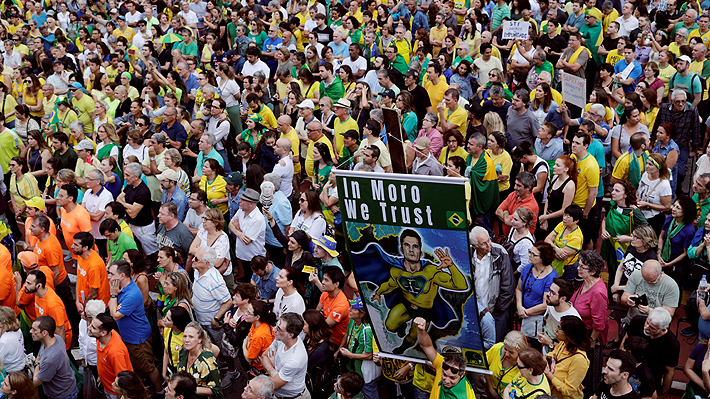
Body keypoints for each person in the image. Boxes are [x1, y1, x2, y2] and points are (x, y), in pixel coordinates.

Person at [107, 260, 164, 395]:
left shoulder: (130, 294)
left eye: (111, 273)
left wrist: (113, 295)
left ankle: (159, 391)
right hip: (130, 336)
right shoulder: (122, 288)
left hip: (138, 339)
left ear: (121, 276)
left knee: (149, 367)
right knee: (140, 365)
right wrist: (114, 303)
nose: (108, 276)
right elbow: (111, 308)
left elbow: (114, 315)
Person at [470, 226, 516, 342]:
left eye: (489, 240)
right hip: (473, 311)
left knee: (494, 343)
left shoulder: (500, 253)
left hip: (494, 312)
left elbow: (508, 286)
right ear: (475, 246)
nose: (489, 245)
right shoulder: (467, 254)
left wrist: (498, 311)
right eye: (484, 243)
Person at [621, 308, 679, 399]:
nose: (646, 327)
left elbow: (669, 372)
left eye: (652, 327)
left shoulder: (672, 344)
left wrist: (662, 396)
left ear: (663, 330)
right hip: (627, 372)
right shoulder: (637, 321)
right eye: (647, 322)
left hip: (651, 380)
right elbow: (625, 340)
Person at [414, 316, 477, 398]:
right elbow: (427, 346)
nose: (446, 381)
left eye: (452, 378)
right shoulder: (442, 365)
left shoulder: (466, 396)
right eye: (444, 374)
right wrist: (421, 330)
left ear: (462, 375)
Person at [516, 241, 558, 345]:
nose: (529, 255)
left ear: (542, 258)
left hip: (537, 319)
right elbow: (518, 289)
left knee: (536, 345)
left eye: (533, 254)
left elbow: (546, 304)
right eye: (529, 252)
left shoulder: (551, 277)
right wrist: (519, 306)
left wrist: (526, 312)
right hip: (523, 314)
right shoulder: (527, 268)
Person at [260, 313, 310, 399]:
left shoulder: (295, 359)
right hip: (279, 395)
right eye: (276, 324)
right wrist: (273, 372)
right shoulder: (280, 339)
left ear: (290, 335)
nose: (274, 329)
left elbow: (274, 385)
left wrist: (271, 369)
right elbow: (264, 356)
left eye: (279, 328)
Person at [88, 312, 134, 399]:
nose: (88, 328)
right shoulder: (103, 336)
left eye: (93, 327)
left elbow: (122, 381)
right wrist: (101, 376)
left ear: (103, 333)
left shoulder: (116, 353)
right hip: (106, 385)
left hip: (114, 392)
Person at [192, 248, 233, 346]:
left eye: (196, 259)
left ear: (206, 264)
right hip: (199, 320)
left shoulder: (215, 281)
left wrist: (216, 319)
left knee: (217, 347)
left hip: (211, 325)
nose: (193, 260)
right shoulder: (197, 271)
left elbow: (228, 301)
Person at [544, 315, 591, 399]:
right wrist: (545, 359)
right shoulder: (563, 344)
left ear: (569, 334)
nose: (555, 330)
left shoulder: (579, 360)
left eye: (559, 328)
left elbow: (569, 390)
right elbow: (553, 353)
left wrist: (549, 375)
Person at [30, 315, 77, 399]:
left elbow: (36, 382)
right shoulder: (57, 338)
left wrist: (37, 364)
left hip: (62, 395)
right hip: (67, 386)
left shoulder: (50, 358)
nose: (30, 331)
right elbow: (40, 355)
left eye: (34, 330)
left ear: (45, 333)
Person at [24, 270, 73, 349]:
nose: (25, 286)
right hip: (47, 338)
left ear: (38, 286)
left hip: (57, 341)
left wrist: (61, 350)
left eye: (29, 283)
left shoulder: (53, 304)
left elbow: (60, 329)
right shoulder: (37, 294)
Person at [658, 196, 696, 289]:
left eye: (678, 208)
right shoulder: (670, 218)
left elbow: (685, 253)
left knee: (673, 288)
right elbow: (661, 237)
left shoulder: (689, 230)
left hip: (677, 263)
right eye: (674, 205)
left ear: (685, 212)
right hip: (663, 258)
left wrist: (669, 264)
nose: (673, 209)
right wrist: (659, 254)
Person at [178, 322, 224, 399]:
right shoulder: (183, 350)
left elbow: (216, 391)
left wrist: (190, 390)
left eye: (191, 337)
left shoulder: (207, 362)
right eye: (185, 336)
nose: (186, 340)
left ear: (200, 339)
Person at [229, 188, 266, 274]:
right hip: (243, 255)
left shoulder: (258, 219)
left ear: (251, 204)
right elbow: (230, 225)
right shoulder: (241, 210)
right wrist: (239, 232)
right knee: (246, 273)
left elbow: (246, 241)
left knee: (254, 278)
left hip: (253, 257)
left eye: (242, 200)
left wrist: (237, 228)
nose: (239, 201)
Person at [73, 232, 110, 314]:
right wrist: (77, 301)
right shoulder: (81, 256)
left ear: (85, 247)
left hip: (96, 308)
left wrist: (84, 307)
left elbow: (93, 294)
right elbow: (79, 279)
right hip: (85, 303)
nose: (72, 246)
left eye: (76, 245)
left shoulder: (94, 266)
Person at [637, 154, 673, 234]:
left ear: (658, 167)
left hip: (654, 219)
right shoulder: (645, 175)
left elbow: (666, 207)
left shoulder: (664, 184)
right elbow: (639, 189)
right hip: (641, 216)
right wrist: (637, 198)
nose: (647, 166)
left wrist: (647, 204)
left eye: (650, 164)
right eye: (646, 163)